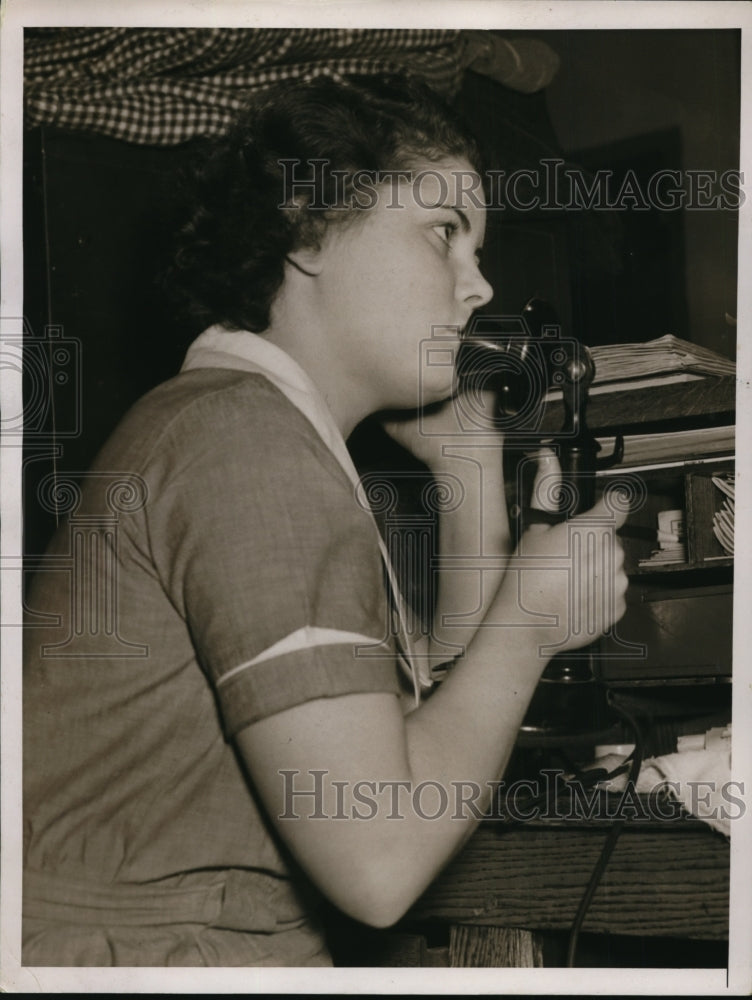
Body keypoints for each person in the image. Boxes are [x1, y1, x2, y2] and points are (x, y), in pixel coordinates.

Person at [22, 73, 628, 967]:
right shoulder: (247, 446)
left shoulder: (242, 424)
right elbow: (380, 856)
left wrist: (465, 471)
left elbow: (421, 750)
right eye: (443, 234)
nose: (480, 285)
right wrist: (531, 625)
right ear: (309, 229)